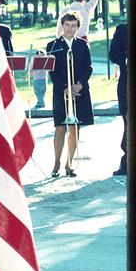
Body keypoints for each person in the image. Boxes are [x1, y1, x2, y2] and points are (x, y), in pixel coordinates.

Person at [46, 11, 94, 178]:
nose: (70, 28)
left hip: (79, 91)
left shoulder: (82, 44)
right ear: (62, 25)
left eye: (74, 26)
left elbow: (89, 68)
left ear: (77, 27)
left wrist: (79, 85)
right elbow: (51, 71)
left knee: (75, 128)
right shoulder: (53, 45)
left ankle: (69, 163)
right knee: (60, 128)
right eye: (67, 25)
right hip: (61, 92)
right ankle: (56, 162)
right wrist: (65, 88)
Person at [109, 22, 128, 176]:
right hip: (127, 84)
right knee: (128, 122)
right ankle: (127, 161)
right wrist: (126, 58)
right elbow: (113, 53)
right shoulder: (122, 29)